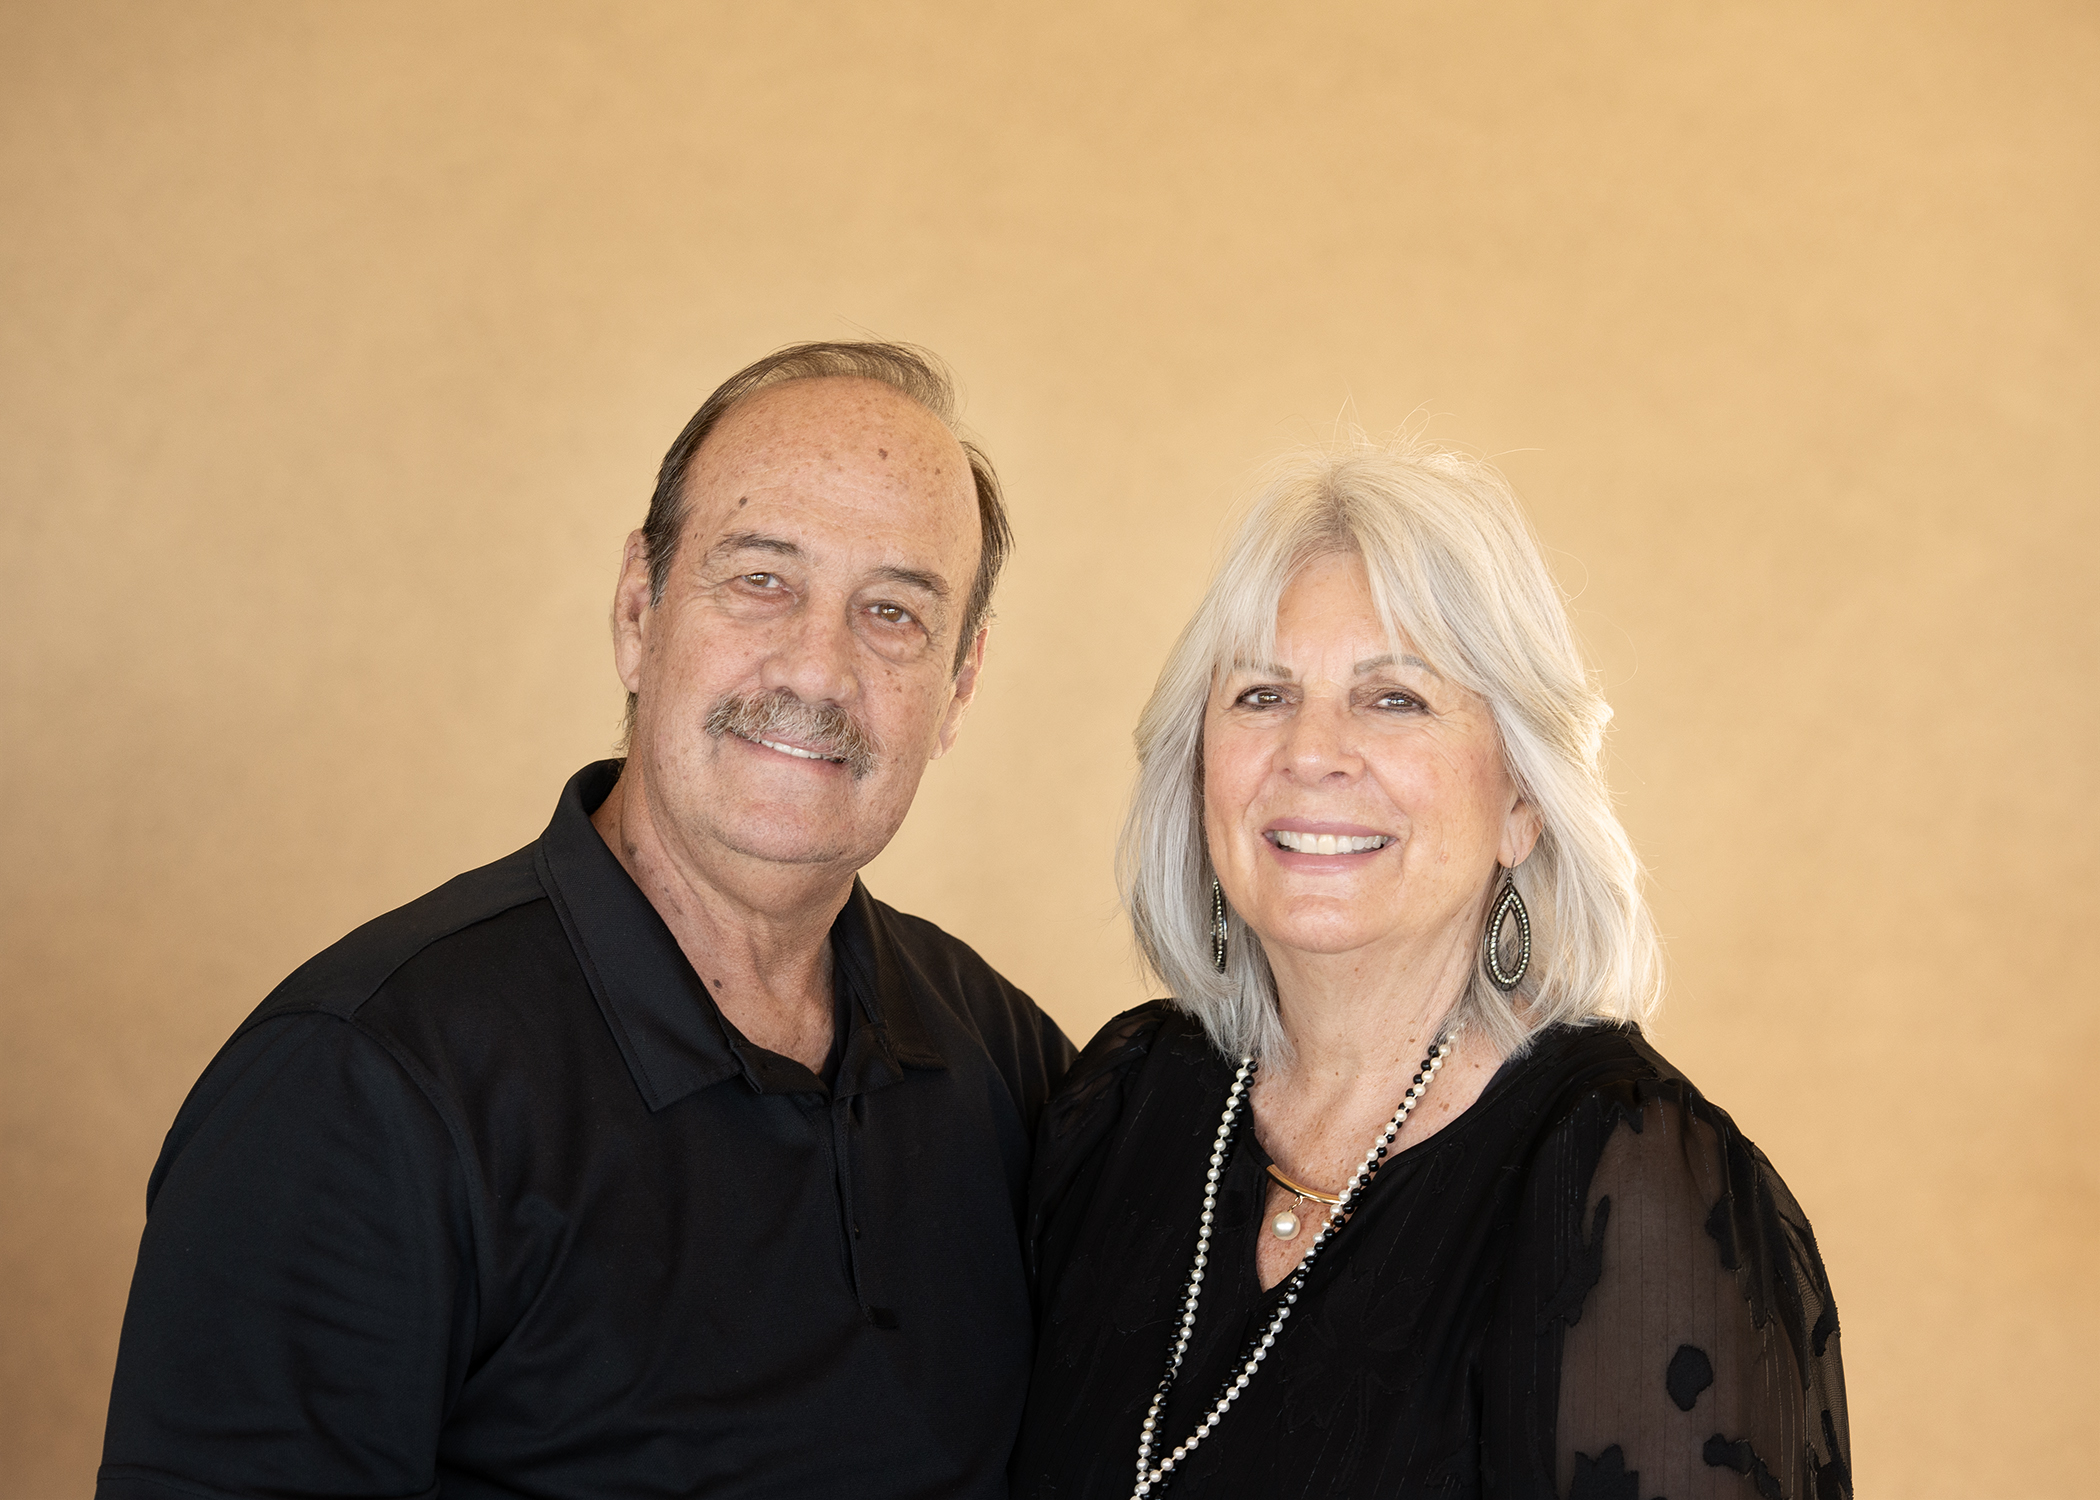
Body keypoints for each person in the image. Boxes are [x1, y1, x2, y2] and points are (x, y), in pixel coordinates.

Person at [99, 342, 1075, 1500]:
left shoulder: (1007, 1063)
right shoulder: (359, 1086)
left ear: (958, 687)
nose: (817, 670)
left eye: (893, 612)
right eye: (761, 580)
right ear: (636, 610)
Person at [1012, 439, 1850, 1499]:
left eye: (1395, 698)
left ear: (1522, 801)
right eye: (1262, 694)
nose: (1311, 752)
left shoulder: (1628, 1188)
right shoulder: (1123, 1103)